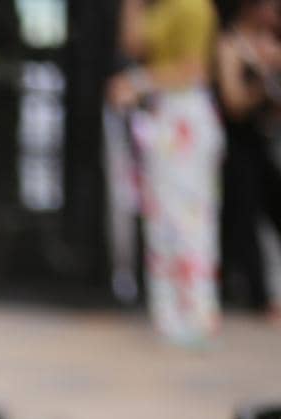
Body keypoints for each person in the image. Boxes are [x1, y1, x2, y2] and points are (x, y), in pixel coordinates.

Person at [110, 0, 225, 344]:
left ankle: (197, 314)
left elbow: (195, 70)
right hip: (161, 117)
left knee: (189, 219)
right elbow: (133, 44)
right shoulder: (159, 8)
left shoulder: (194, 7)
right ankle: (169, 314)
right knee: (160, 218)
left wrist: (138, 81)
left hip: (185, 116)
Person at [216, 0, 281, 317]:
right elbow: (234, 102)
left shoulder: (270, 44)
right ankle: (260, 298)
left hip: (266, 142)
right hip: (239, 145)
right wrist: (263, 77)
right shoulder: (230, 45)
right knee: (244, 219)